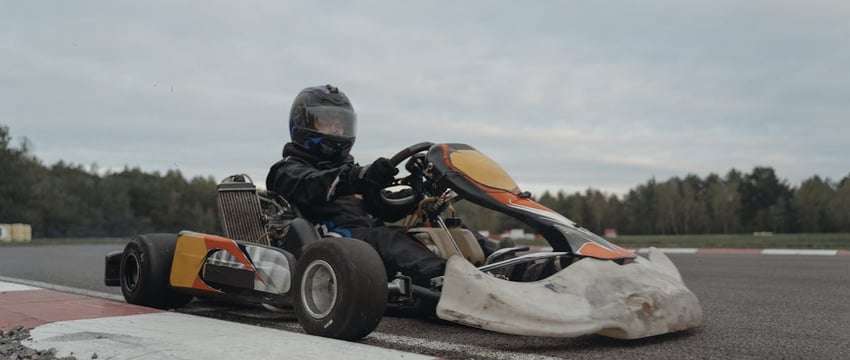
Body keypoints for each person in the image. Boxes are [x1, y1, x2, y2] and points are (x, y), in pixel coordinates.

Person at [265, 84, 446, 288]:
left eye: (341, 124)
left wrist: (418, 193)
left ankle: (484, 267)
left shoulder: (349, 172)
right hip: (327, 242)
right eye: (327, 122)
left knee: (439, 233)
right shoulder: (286, 171)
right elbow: (314, 184)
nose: (336, 129)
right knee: (387, 239)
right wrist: (357, 177)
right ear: (303, 123)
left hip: (364, 238)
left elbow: (382, 208)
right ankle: (444, 279)